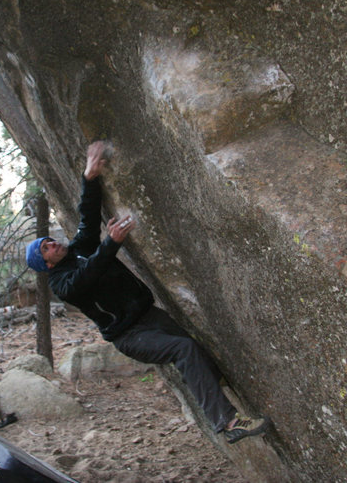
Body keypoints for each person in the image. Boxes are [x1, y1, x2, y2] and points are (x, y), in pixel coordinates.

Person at [25, 141, 269, 444]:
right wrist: (110, 244)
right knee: (184, 350)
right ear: (46, 264)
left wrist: (89, 177)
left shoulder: (76, 252)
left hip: (147, 314)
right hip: (129, 336)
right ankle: (228, 423)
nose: (53, 244)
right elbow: (86, 278)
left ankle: (214, 394)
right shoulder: (61, 284)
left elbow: (87, 219)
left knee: (196, 352)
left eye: (49, 240)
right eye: (46, 248)